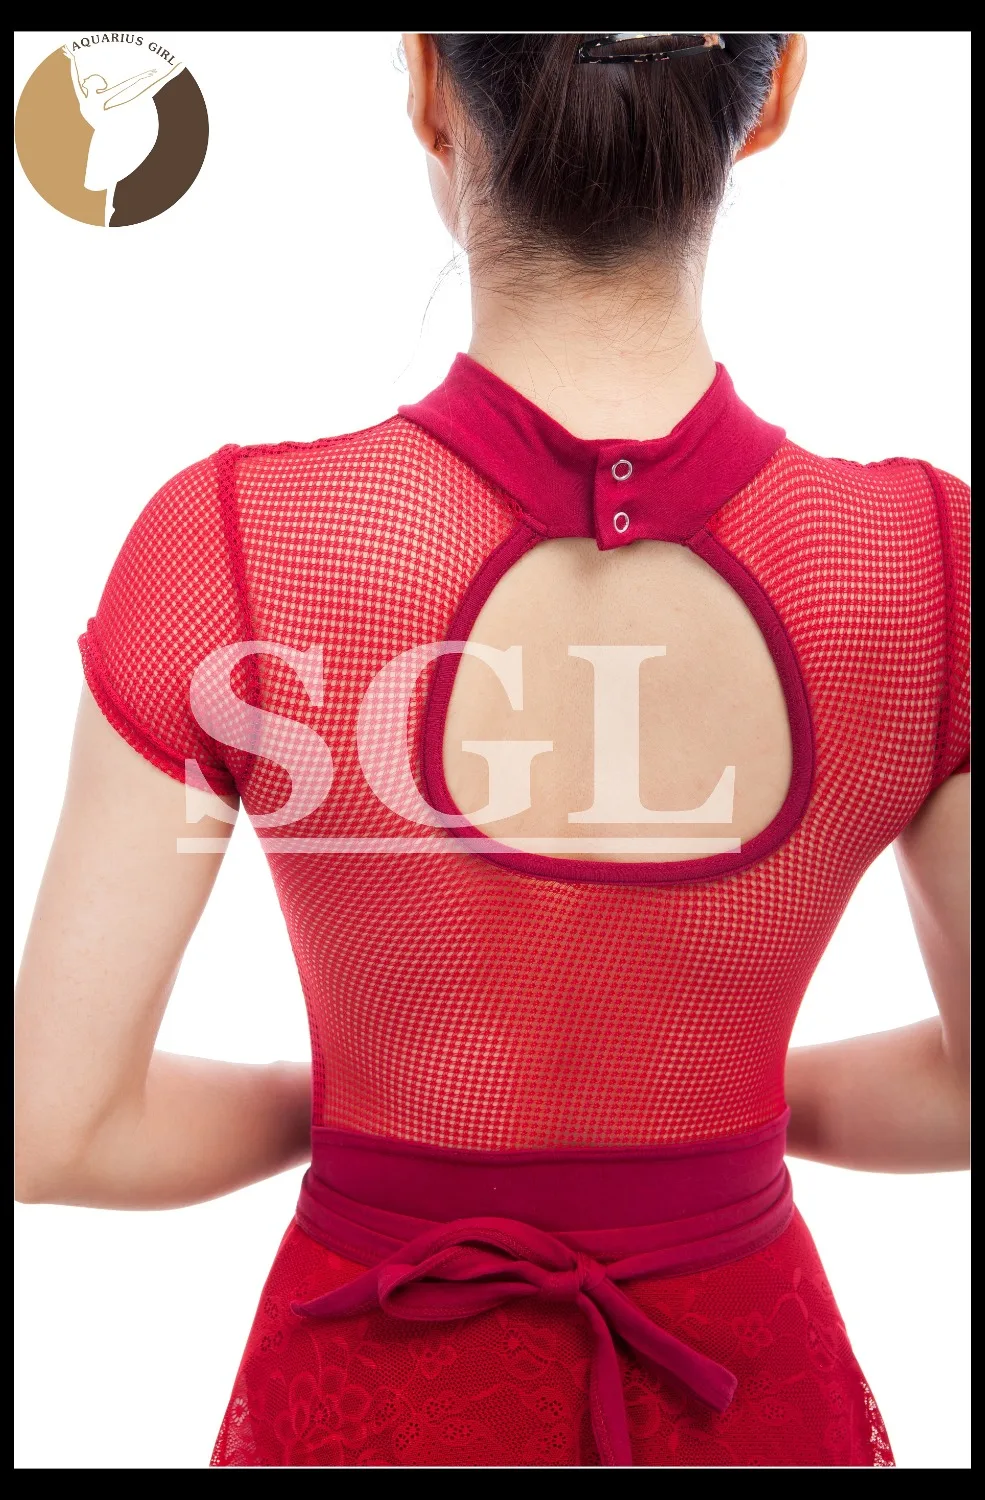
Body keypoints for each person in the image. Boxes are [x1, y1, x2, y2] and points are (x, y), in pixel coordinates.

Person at [15, 33, 969, 1468]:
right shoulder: (926, 569)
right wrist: (715, 1126)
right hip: (745, 1392)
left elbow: (59, 1130)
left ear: (427, 89)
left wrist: (365, 1119)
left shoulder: (236, 548)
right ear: (772, 95)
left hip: (373, 1394)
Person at [63, 45, 184, 226]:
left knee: (143, 94)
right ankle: (107, 209)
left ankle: (172, 73)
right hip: (106, 132)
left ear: (95, 85)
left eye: (90, 78)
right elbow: (75, 77)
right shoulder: (84, 96)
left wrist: (141, 76)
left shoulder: (101, 96)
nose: (85, 79)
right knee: (108, 175)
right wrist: (73, 60)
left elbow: (124, 87)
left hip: (113, 129)